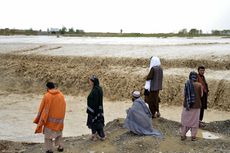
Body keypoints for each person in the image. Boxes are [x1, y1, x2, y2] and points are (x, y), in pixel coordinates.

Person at [33, 82, 66, 153]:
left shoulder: (47, 96)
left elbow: (42, 108)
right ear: (54, 87)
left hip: (49, 121)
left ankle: (49, 149)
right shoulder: (61, 95)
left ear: (47, 88)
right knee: (59, 134)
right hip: (59, 120)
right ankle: (60, 147)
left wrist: (39, 119)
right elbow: (64, 107)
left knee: (48, 136)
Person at [180, 71, 203, 141]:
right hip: (196, 106)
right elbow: (201, 95)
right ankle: (193, 137)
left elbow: (183, 94)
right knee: (195, 121)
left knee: (185, 121)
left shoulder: (187, 84)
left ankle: (183, 135)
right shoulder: (199, 85)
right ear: (196, 77)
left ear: (190, 76)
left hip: (187, 106)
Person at [86, 75, 105, 141]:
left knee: (94, 122)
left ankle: (94, 136)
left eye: (90, 81)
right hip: (98, 110)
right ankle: (101, 136)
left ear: (93, 82)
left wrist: (92, 110)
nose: (89, 82)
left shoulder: (95, 91)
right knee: (98, 122)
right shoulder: (99, 89)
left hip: (94, 110)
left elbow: (95, 101)